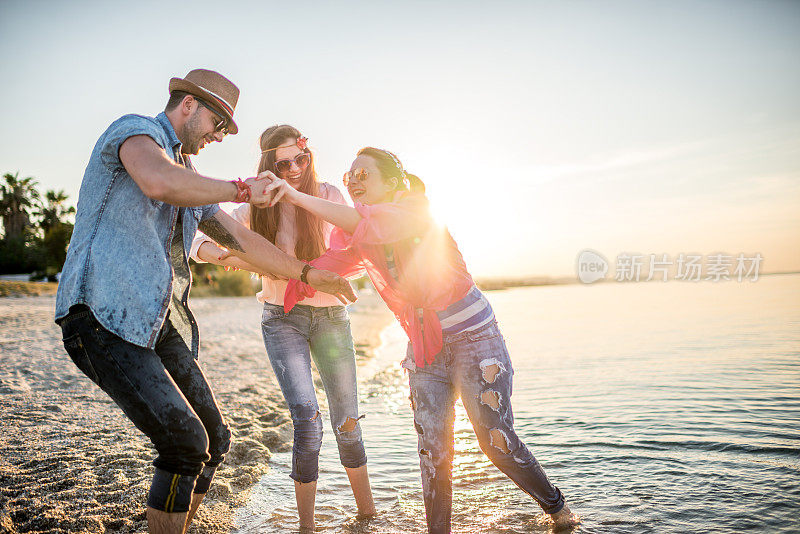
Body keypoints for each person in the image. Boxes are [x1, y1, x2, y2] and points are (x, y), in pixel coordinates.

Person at [54, 70, 356, 534]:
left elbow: (240, 238)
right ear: (189, 104)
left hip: (157, 319)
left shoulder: (190, 175)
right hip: (100, 313)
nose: (219, 136)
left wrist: (311, 274)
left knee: (214, 440)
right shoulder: (135, 131)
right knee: (183, 440)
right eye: (218, 124)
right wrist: (240, 189)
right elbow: (158, 181)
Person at [263, 147, 579, 533]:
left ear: (392, 182)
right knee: (433, 451)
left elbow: (371, 224)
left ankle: (557, 508)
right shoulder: (360, 232)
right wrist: (292, 281)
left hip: (476, 339)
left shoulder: (414, 212)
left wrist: (293, 194)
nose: (354, 182)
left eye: (363, 175)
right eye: (350, 177)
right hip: (425, 348)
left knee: (494, 441)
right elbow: (329, 263)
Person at [189, 125, 375, 529]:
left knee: (347, 422)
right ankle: (306, 527)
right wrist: (220, 255)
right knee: (307, 420)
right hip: (281, 320)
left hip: (330, 318)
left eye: (300, 159)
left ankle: (369, 516)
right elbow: (195, 235)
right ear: (268, 165)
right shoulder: (253, 207)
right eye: (283, 163)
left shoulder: (326, 196)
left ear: (309, 157)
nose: (293, 169)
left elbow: (355, 237)